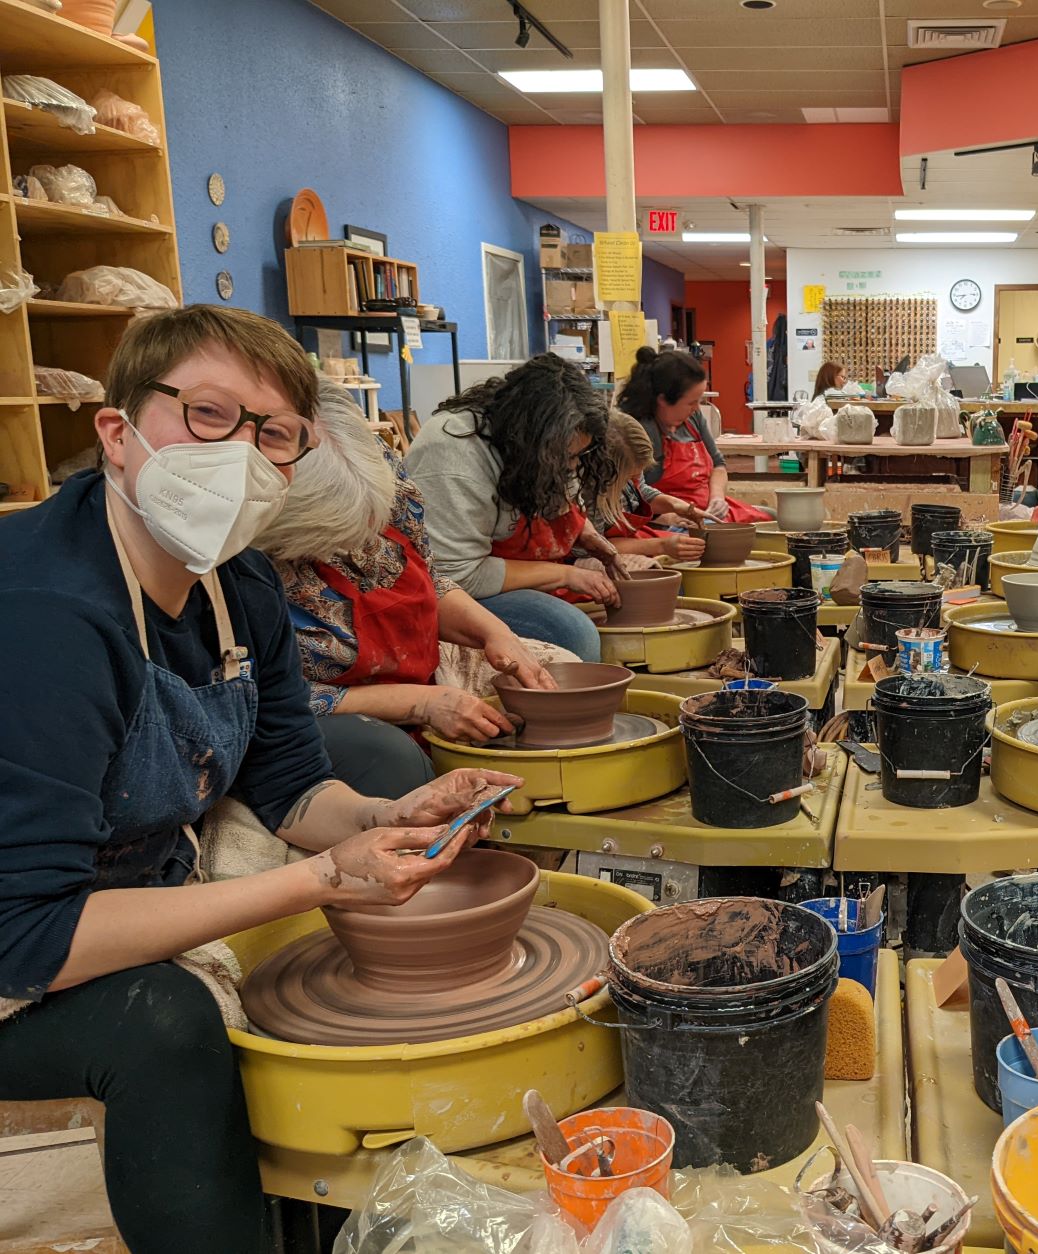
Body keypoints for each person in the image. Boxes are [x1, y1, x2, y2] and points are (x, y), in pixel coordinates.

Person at [0, 306, 520, 1253]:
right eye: (207, 413)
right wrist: (320, 879)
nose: (239, 452)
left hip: (110, 881)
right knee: (163, 1021)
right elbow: (26, 934)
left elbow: (292, 791)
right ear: (116, 434)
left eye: (271, 430)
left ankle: (298, 1206)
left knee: (276, 948)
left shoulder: (238, 586)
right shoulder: (45, 615)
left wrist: (395, 812)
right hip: (17, 934)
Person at [261, 380, 560, 798]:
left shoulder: (377, 471)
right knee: (393, 760)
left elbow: (429, 578)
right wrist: (420, 704)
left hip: (421, 671)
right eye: (336, 540)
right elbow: (264, 702)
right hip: (337, 713)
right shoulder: (247, 558)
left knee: (556, 662)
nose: (358, 547)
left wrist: (496, 633)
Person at [406, 354, 625, 663]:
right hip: (440, 594)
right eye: (566, 458)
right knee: (571, 633)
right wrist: (564, 575)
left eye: (579, 456)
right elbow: (456, 576)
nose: (573, 466)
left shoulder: (538, 444)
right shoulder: (454, 459)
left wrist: (585, 534)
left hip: (489, 569)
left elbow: (562, 488)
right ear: (530, 438)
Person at [617, 345, 772, 524]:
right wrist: (665, 517)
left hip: (706, 507)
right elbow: (632, 497)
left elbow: (718, 464)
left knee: (769, 519)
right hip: (668, 516)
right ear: (663, 400)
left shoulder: (692, 418)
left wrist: (717, 498)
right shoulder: (638, 429)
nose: (697, 408)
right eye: (691, 402)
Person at [590, 412, 706, 562]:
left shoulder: (630, 459)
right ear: (605, 470)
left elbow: (641, 491)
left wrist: (675, 505)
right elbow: (594, 547)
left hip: (626, 537)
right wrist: (661, 546)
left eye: (638, 475)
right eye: (629, 478)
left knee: (694, 547)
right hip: (595, 554)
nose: (635, 480)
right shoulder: (588, 491)